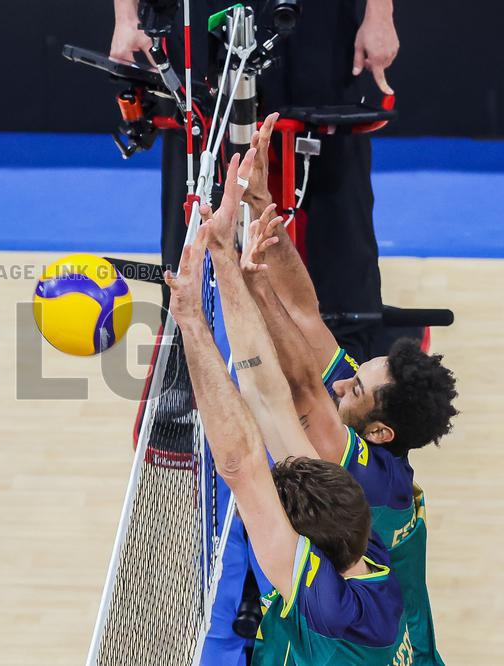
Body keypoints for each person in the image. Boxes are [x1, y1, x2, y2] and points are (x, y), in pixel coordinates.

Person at [164, 152, 409, 664]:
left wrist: (192, 319)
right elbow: (272, 397)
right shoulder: (364, 549)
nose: (342, 384)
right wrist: (225, 259)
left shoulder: (328, 609)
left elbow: (241, 465)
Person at [236, 114, 456, 664]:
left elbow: (304, 390)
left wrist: (255, 286)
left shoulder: (373, 480)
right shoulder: (376, 437)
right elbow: (306, 315)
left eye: (355, 389)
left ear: (379, 432)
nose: (341, 383)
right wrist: (264, 207)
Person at [112, 0, 400, 362]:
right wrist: (126, 18)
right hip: (202, 14)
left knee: (331, 151)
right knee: (197, 146)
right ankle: (190, 344)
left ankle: (349, 346)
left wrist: (380, 14)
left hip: (317, 21)